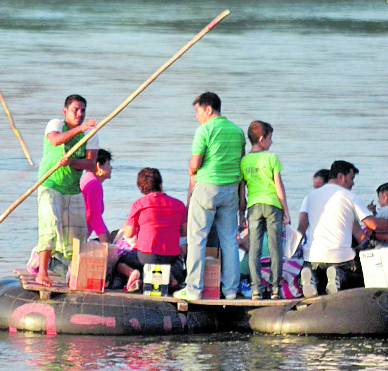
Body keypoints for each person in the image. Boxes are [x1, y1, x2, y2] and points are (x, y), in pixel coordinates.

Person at [173, 92, 245, 301]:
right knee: (229, 241)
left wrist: (190, 168)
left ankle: (194, 289)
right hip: (231, 189)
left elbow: (195, 164)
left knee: (197, 239)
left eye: (197, 111)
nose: (196, 116)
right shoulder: (238, 131)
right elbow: (240, 161)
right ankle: (230, 289)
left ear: (208, 109)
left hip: (207, 188)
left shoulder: (204, 130)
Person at [297, 160, 388, 297]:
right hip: (340, 258)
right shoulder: (350, 197)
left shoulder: (309, 197)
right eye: (351, 178)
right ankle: (338, 276)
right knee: (360, 275)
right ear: (341, 176)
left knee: (319, 271)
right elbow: (373, 224)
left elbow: (301, 227)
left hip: (312, 257)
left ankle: (311, 277)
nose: (352, 183)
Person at [35, 95, 98, 287]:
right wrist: (79, 128)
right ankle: (42, 271)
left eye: (82, 111)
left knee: (78, 235)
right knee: (50, 224)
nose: (79, 114)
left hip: (72, 188)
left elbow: (91, 164)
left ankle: (75, 273)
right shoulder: (56, 124)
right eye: (75, 110)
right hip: (50, 184)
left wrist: (72, 162)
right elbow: (55, 141)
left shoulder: (90, 134)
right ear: (65, 111)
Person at [240, 121, 291, 300]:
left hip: (253, 207)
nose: (271, 142)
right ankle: (275, 289)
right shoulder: (271, 158)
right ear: (261, 139)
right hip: (273, 206)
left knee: (254, 249)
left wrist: (241, 213)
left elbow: (242, 189)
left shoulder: (244, 161)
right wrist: (286, 210)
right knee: (275, 248)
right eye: (270, 138)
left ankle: (256, 289)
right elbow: (279, 186)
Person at [117, 167, 187, 292]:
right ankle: (170, 279)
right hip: (171, 256)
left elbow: (129, 233)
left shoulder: (139, 204)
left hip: (146, 255)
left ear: (141, 187)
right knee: (167, 263)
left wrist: (127, 226)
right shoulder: (179, 204)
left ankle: (133, 273)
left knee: (120, 262)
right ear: (160, 184)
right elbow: (184, 232)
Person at [79, 149, 113, 243]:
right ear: (98, 166)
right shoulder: (94, 183)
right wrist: (106, 243)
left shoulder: (88, 178)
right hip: (79, 237)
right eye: (108, 164)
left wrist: (107, 235)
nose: (111, 167)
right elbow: (93, 216)